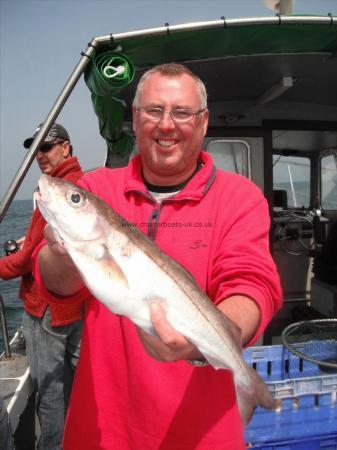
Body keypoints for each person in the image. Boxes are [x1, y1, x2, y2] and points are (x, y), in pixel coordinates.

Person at [34, 64, 282, 450]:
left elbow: (252, 284)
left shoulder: (241, 197)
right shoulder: (97, 187)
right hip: (100, 431)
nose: (167, 125)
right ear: (134, 119)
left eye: (182, 112)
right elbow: (56, 285)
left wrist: (210, 341)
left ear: (203, 123)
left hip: (201, 436)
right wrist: (60, 252)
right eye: (153, 111)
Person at [0, 123, 84, 450]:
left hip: (45, 309)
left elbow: (22, 263)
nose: (39, 156)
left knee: (50, 393)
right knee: (75, 385)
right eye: (35, 150)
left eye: (46, 147)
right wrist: (31, 244)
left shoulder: (57, 190)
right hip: (75, 307)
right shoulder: (80, 183)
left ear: (66, 147)